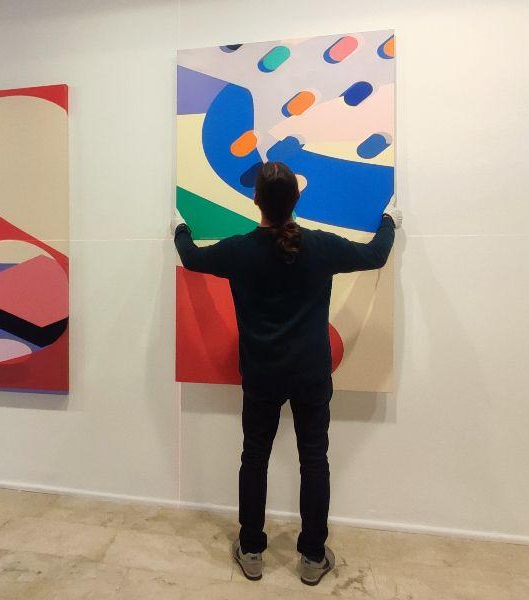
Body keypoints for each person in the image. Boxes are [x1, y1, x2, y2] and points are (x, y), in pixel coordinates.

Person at [172, 162, 401, 586]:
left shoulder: (239, 250)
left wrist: (180, 228)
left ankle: (251, 550)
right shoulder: (321, 246)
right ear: (297, 198)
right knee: (314, 459)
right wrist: (389, 220)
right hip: (311, 372)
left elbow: (191, 258)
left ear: (255, 200)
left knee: (254, 457)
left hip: (262, 373)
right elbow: (376, 254)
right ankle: (313, 556)